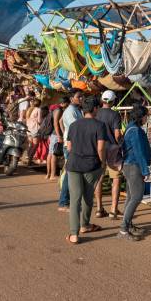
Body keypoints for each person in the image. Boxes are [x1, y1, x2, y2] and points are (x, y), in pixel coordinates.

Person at [65, 97, 106, 244]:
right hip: (91, 165)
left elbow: (69, 147)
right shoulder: (100, 126)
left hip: (74, 164)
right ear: (95, 108)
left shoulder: (74, 125)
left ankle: (74, 234)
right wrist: (103, 162)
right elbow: (100, 148)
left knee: (75, 199)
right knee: (88, 197)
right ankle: (85, 225)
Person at [119, 105, 151, 241]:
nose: (147, 118)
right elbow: (139, 152)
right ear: (141, 116)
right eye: (146, 115)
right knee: (136, 197)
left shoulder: (131, 127)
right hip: (134, 166)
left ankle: (128, 224)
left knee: (130, 196)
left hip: (129, 165)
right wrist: (145, 170)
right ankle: (123, 229)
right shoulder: (135, 130)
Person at [94, 90, 123, 219]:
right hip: (113, 150)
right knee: (116, 179)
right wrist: (122, 143)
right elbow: (117, 134)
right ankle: (113, 210)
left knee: (99, 178)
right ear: (113, 101)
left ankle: (99, 209)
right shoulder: (115, 115)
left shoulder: (96, 113)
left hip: (98, 148)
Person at [58, 90, 83, 212]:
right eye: (79, 96)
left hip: (74, 144)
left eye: (82, 96)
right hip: (71, 146)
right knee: (69, 174)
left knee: (71, 174)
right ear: (72, 98)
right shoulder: (70, 111)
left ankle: (67, 200)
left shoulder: (76, 110)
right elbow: (77, 129)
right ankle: (63, 202)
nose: (81, 98)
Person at [48, 97, 70, 180]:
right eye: (68, 104)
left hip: (54, 134)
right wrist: (59, 135)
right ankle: (52, 175)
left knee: (51, 154)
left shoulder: (56, 109)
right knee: (54, 154)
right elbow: (56, 123)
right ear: (64, 103)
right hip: (56, 135)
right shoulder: (59, 110)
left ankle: (49, 174)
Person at [25, 98, 42, 165]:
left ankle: (28, 158)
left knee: (30, 144)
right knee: (35, 145)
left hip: (28, 129)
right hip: (35, 129)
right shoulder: (38, 109)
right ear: (39, 104)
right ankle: (30, 159)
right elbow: (39, 121)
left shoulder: (29, 109)